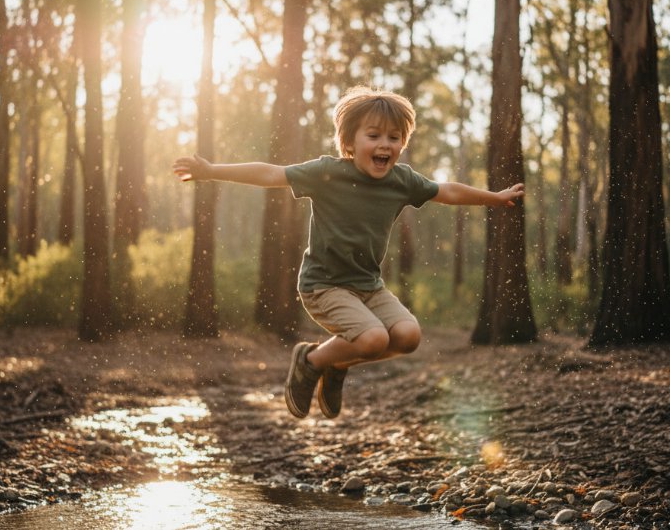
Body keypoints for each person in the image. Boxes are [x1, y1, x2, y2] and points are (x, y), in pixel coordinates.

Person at [173, 86, 525, 419]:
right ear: (349, 142)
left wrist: (495, 197)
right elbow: (271, 174)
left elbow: (446, 191)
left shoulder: (401, 181)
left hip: (368, 287)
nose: (385, 144)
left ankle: (336, 363)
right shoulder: (328, 173)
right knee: (373, 340)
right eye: (373, 136)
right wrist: (210, 171)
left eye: (394, 137)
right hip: (323, 286)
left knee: (408, 337)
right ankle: (311, 361)